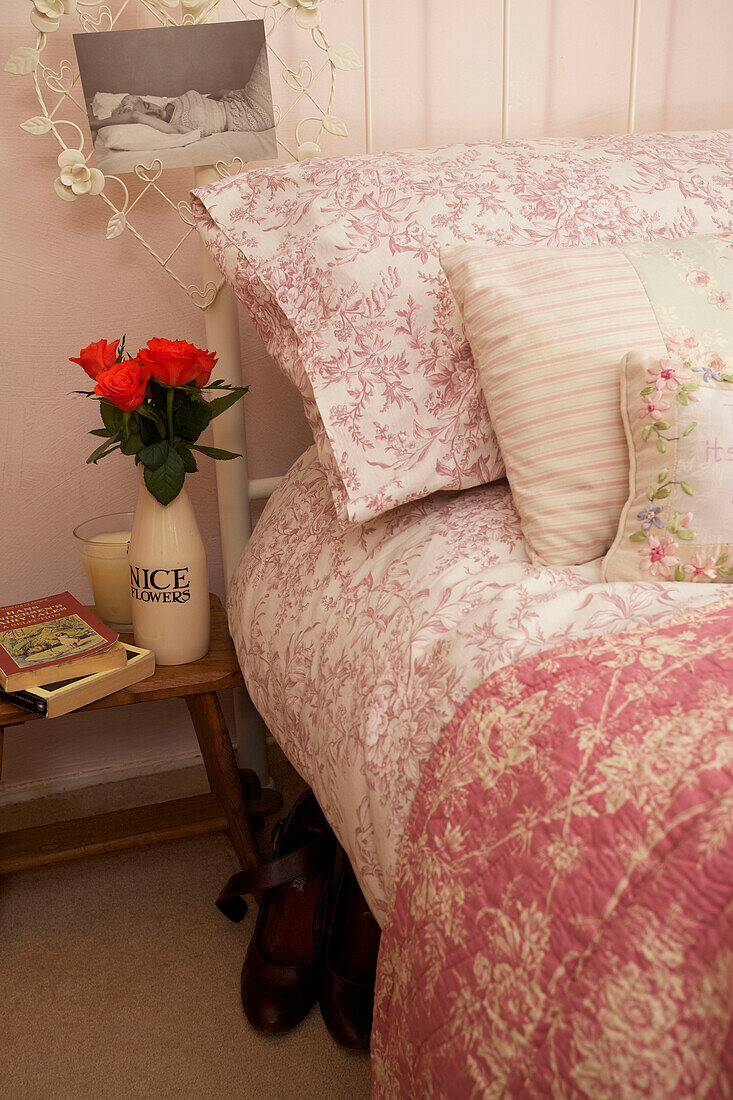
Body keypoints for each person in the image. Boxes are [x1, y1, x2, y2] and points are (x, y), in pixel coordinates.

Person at [90, 44, 274, 138]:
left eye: (147, 105)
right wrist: (96, 124)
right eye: (148, 115)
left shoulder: (173, 104)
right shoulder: (172, 129)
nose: (153, 110)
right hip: (251, 114)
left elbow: (205, 103)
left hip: (239, 98)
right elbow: (135, 117)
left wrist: (219, 94)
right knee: (272, 47)